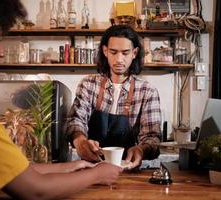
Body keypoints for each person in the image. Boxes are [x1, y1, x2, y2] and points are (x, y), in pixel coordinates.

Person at [0, 0, 122, 199]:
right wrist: (97, 174)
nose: (1, 51)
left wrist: (72, 166)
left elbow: (14, 171)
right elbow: (35, 190)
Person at [66, 25, 162, 169]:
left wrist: (141, 150)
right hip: (91, 170)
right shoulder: (88, 85)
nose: (119, 59)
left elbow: (152, 137)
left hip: (128, 171)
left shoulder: (147, 92)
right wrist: (80, 141)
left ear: (134, 53)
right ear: (105, 51)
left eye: (125, 53)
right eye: (113, 52)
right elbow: (75, 121)